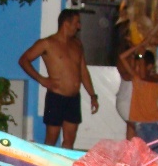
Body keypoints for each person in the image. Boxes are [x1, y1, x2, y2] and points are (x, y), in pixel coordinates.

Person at [18, 9, 99, 149]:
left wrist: (92, 95)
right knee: (51, 140)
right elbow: (24, 60)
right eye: (76, 23)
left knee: (69, 140)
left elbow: (83, 71)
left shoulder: (77, 44)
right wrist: (42, 80)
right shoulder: (47, 43)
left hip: (73, 99)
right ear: (66, 23)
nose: (79, 26)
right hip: (56, 98)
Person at [118, 45, 158, 145]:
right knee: (141, 156)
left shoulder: (156, 78)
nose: (137, 68)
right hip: (141, 123)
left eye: (140, 65)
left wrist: (141, 55)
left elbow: (143, 77)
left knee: (154, 157)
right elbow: (122, 57)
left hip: (154, 123)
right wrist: (139, 45)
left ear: (150, 66)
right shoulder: (136, 77)